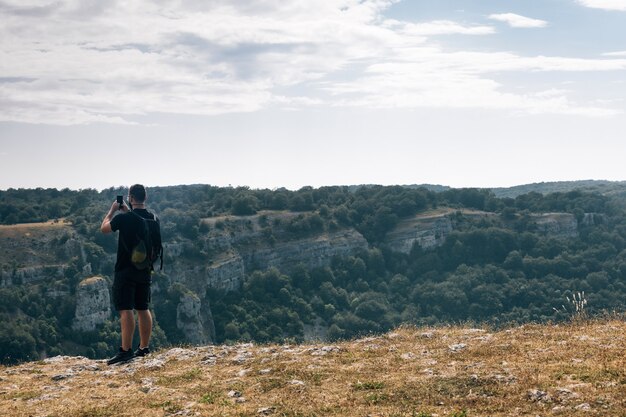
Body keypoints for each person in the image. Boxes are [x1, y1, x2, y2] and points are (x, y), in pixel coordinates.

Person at [100, 184, 159, 365]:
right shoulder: (153, 218)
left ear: (131, 198)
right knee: (143, 307)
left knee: (125, 309)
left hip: (125, 269)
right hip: (145, 270)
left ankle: (125, 351)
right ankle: (144, 348)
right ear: (145, 198)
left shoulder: (124, 219)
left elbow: (104, 228)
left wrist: (112, 212)